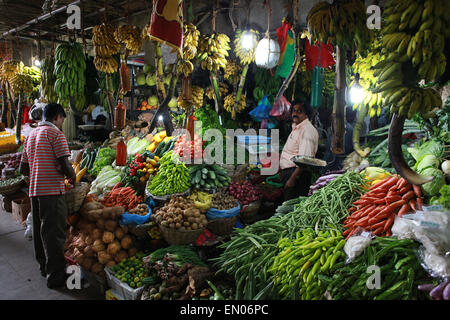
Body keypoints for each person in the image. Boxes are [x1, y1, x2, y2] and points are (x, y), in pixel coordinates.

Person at [19, 103, 76, 289]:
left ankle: (44, 266)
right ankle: (56, 275)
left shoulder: (31, 135)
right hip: (51, 191)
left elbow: (23, 168)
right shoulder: (56, 134)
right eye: (62, 120)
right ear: (57, 117)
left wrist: (38, 171)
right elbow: (66, 165)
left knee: (39, 230)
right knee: (54, 233)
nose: (61, 124)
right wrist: (72, 178)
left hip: (35, 191)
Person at [279, 100, 319, 201]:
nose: (295, 114)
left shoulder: (307, 131)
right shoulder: (297, 127)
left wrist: (292, 179)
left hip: (298, 176)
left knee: (293, 207)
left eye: (299, 111)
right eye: (294, 110)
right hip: (291, 173)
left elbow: (304, 160)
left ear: (306, 114)